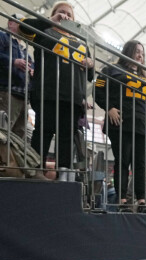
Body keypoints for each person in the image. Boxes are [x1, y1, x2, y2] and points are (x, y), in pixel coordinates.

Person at [18, 2, 94, 179]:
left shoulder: (81, 41)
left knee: (66, 137)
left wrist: (90, 63)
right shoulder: (44, 31)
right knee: (43, 132)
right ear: (54, 14)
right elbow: (23, 27)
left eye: (69, 14)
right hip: (47, 92)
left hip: (72, 97)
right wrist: (52, 20)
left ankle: (64, 175)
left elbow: (90, 74)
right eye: (61, 12)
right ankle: (35, 172)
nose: (65, 16)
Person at [95, 40, 146, 212]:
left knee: (140, 164)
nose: (140, 54)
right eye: (137, 50)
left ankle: (142, 201)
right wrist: (109, 107)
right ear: (128, 51)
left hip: (142, 126)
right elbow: (98, 89)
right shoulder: (112, 69)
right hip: (121, 123)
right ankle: (122, 200)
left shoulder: (145, 78)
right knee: (123, 161)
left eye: (142, 52)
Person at [0, 13, 34, 139]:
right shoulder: (2, 36)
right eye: (20, 23)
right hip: (8, 91)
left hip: (23, 96)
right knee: (4, 131)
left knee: (19, 135)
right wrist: (13, 61)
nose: (22, 27)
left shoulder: (24, 48)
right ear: (10, 23)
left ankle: (9, 159)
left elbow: (32, 64)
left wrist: (33, 70)